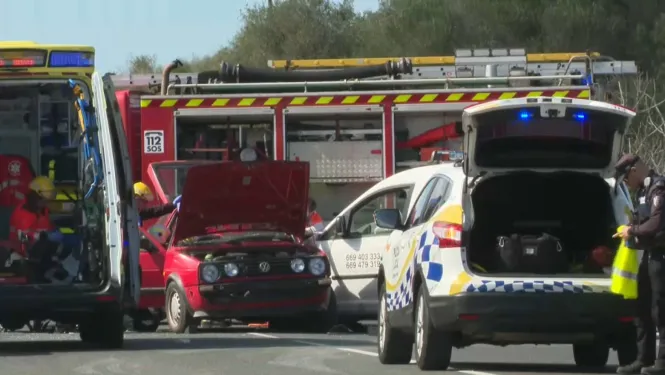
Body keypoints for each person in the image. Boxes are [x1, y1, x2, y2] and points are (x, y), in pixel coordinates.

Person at [615, 154, 665, 375]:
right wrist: (630, 228)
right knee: (642, 308)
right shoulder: (643, 192)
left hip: (661, 256)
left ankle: (662, 363)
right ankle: (644, 359)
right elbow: (642, 220)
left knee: (660, 310)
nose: (627, 183)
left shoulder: (658, 188)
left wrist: (632, 231)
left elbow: (657, 222)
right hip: (649, 255)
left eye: (626, 178)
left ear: (634, 170)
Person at [9, 176, 62, 250]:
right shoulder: (23, 213)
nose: (46, 202)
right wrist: (39, 236)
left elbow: (48, 227)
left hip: (43, 251)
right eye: (43, 199)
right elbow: (21, 238)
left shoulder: (41, 210)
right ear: (34, 196)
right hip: (26, 256)